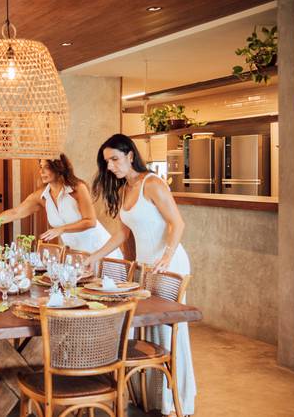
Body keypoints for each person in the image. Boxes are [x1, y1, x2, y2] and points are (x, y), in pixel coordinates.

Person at [85, 133, 196, 416]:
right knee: (149, 329)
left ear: (130, 155)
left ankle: (176, 401)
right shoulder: (124, 189)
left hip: (169, 265)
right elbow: (123, 233)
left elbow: (177, 223)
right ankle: (152, 399)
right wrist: (96, 255)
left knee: (169, 330)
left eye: (114, 159)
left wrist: (167, 256)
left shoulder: (153, 183)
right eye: (107, 162)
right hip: (147, 266)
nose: (110, 166)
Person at [0, 154, 121, 257]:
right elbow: (15, 213)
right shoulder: (42, 196)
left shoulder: (78, 188)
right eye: (40, 167)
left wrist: (61, 229)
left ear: (59, 168)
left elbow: (91, 221)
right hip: (77, 255)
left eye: (47, 167)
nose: (42, 171)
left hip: (101, 251)